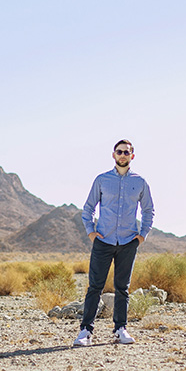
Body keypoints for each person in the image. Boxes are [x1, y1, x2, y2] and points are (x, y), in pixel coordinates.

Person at [73, 139, 154, 346]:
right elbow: (88, 208)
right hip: (103, 240)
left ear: (132, 156)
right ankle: (85, 332)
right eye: (120, 152)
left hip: (128, 241)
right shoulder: (101, 180)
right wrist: (91, 232)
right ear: (113, 155)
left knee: (122, 288)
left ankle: (120, 329)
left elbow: (148, 210)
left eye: (127, 152)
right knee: (95, 287)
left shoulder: (140, 182)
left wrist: (142, 235)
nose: (123, 155)